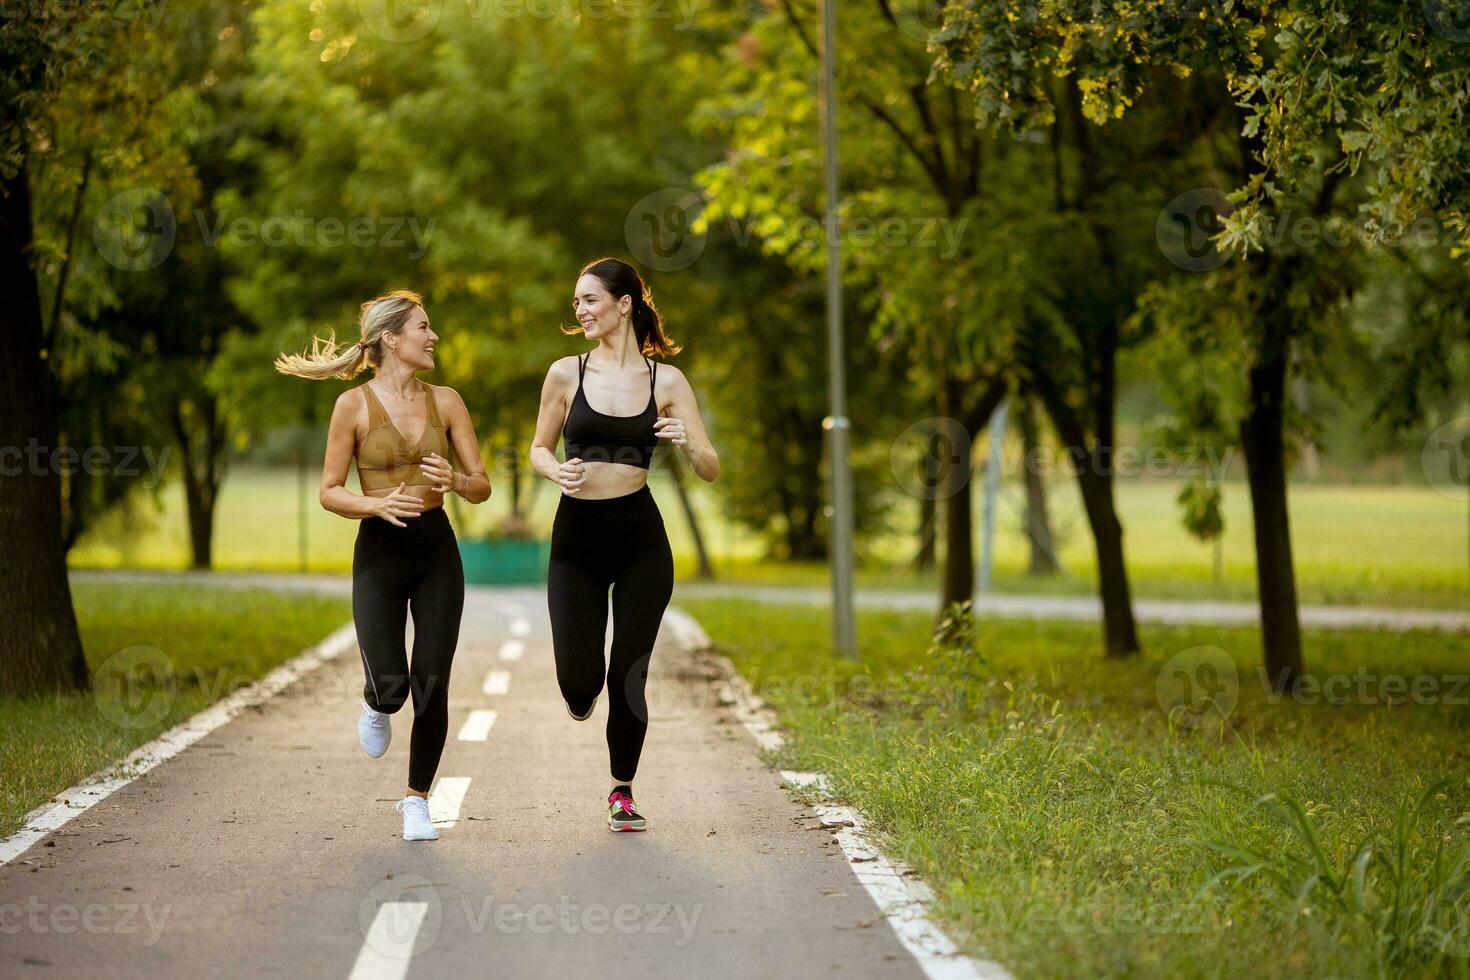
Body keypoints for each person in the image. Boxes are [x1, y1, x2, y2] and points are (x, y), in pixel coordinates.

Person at [275, 289, 490, 842]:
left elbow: (482, 485)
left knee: (432, 682)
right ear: (393, 339)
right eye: (424, 327)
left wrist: (458, 483)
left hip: (437, 551)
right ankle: (375, 703)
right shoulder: (352, 407)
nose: (433, 335)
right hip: (379, 551)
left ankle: (416, 800)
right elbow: (328, 491)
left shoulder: (448, 401)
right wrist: (375, 504)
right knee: (394, 688)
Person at [529, 257, 720, 832]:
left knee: (629, 671)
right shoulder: (566, 374)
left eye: (589, 300)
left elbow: (711, 468)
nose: (581, 310)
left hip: (640, 541)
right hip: (576, 540)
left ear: (624, 304)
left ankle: (622, 790)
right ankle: (580, 692)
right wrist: (551, 471)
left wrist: (687, 441)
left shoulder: (667, 381)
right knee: (579, 679)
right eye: (577, 302)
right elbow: (538, 447)